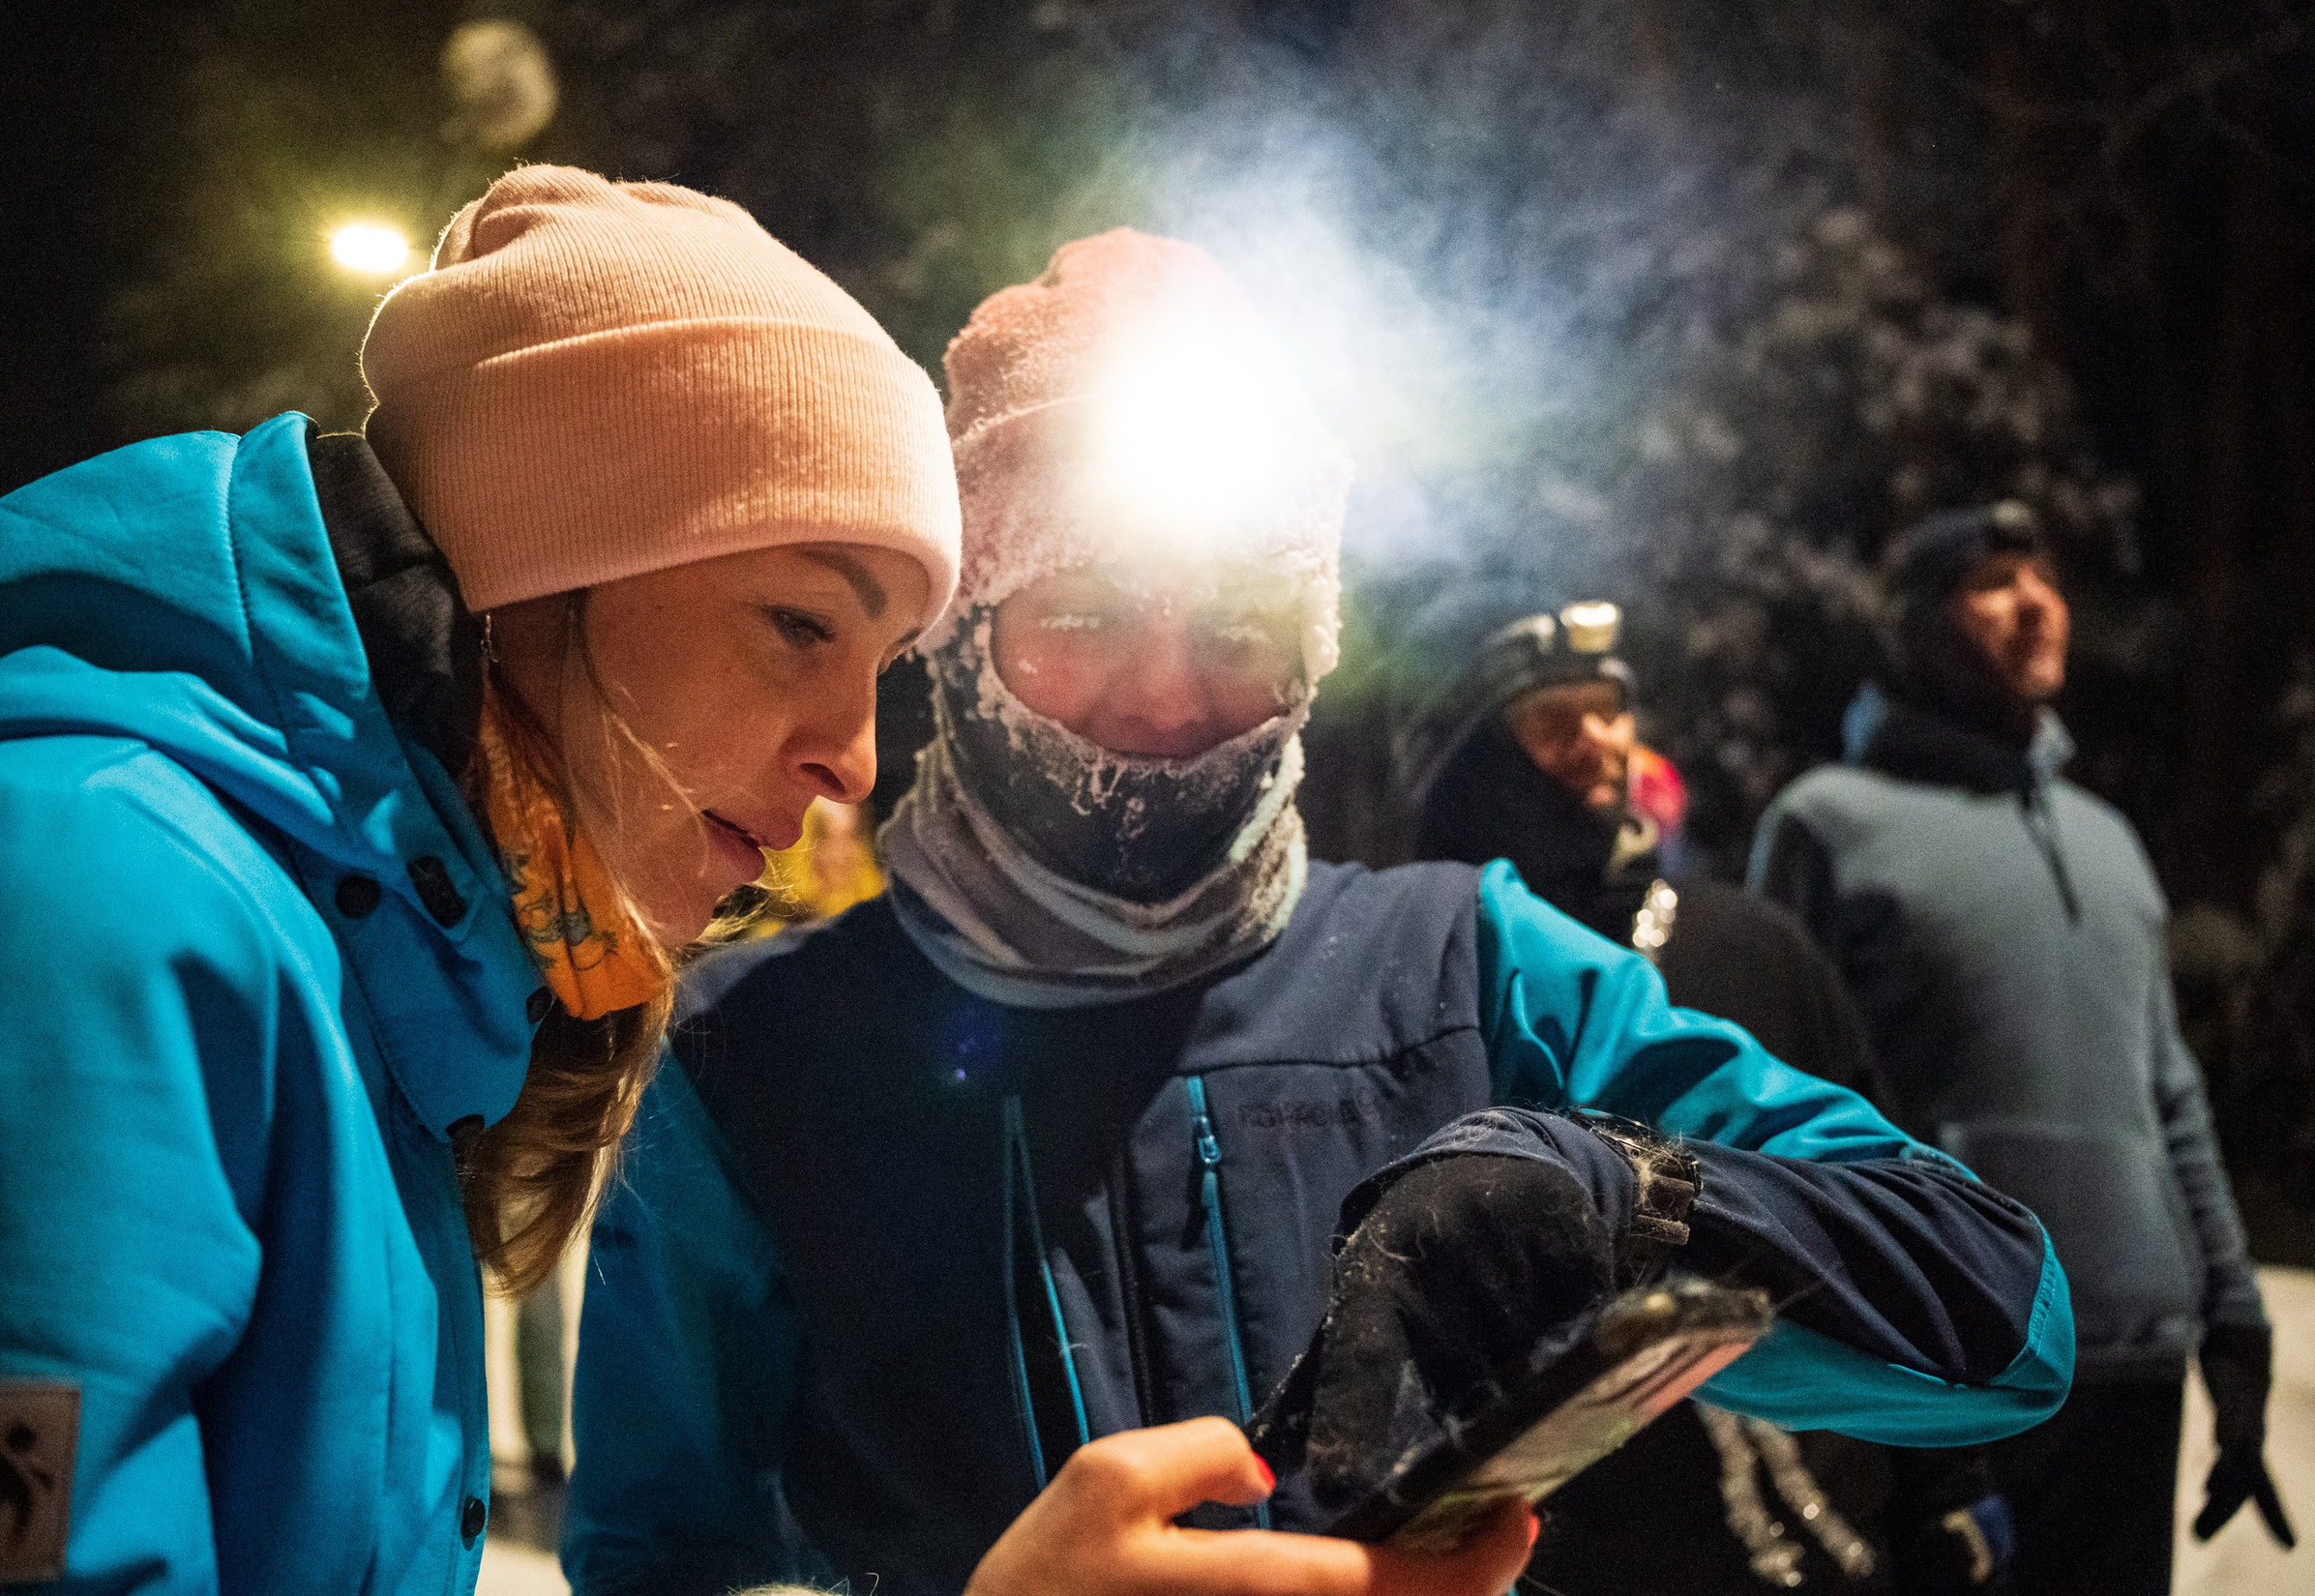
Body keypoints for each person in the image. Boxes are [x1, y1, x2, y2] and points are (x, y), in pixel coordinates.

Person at [0, 168, 1534, 1596]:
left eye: (882, 664)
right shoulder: (73, 912)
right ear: (543, 560)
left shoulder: (370, 974)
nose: (853, 759)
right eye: (798, 623)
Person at [564, 229, 2075, 1596]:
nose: (1168, 694)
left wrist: (1632, 1200)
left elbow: (2008, 1317)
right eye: (1085, 612)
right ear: (962, 638)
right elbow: (658, 1559)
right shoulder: (753, 1056)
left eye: (1241, 620)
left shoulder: (1471, 972)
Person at [1404, 602, 2018, 1593]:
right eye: (1552, 720)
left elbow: (1883, 1201)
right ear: (1475, 761)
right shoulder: (1426, 979)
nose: (1599, 739)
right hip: (1560, 1552)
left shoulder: (1755, 946)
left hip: (1822, 1540)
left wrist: (1945, 1477)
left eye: (1610, 709)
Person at [1750, 500, 2298, 1594]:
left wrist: (2234, 1325)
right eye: (1992, 582)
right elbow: (1776, 1102)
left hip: (2132, 1363)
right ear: (1916, 626)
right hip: (1947, 1362)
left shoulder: (2107, 840)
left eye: (2042, 577)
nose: (2036, 602)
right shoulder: (1829, 822)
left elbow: (2169, 1096)